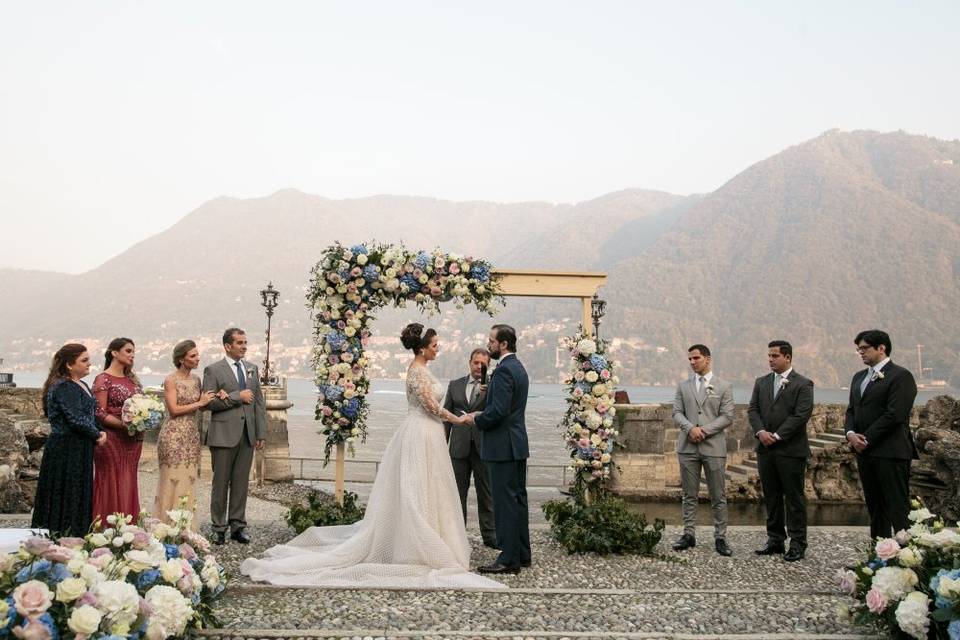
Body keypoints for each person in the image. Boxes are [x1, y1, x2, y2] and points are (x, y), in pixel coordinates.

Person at [240, 323, 504, 589]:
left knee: (432, 488)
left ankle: (434, 538)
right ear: (422, 348)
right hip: (420, 433)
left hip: (429, 435)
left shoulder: (423, 369)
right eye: (434, 345)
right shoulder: (416, 371)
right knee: (416, 489)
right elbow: (432, 407)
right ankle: (416, 546)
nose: (438, 349)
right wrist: (460, 421)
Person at [465, 324, 531, 574]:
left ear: (504, 344)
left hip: (502, 446)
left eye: (491, 340)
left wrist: (477, 418)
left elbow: (498, 412)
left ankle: (508, 560)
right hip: (516, 443)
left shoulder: (503, 371)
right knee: (518, 500)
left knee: (504, 503)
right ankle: (522, 553)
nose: (488, 344)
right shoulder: (518, 367)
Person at [845, 330, 918, 540]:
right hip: (865, 452)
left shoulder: (901, 376)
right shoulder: (859, 377)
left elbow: (895, 414)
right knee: (875, 506)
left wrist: (865, 438)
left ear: (881, 348)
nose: (861, 352)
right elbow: (852, 410)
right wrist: (850, 434)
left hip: (891, 451)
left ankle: (906, 558)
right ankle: (878, 558)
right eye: (858, 349)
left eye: (865, 348)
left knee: (897, 506)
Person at [748, 340, 814, 561]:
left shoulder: (803, 384)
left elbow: (801, 415)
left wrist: (776, 435)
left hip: (790, 450)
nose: (770, 359)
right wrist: (760, 432)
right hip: (765, 449)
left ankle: (797, 543)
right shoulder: (761, 382)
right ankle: (775, 539)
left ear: (787, 357)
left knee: (794, 498)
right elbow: (753, 409)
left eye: (774, 356)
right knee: (772, 496)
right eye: (768, 356)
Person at [32, 344, 107, 536]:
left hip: (80, 446)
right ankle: (61, 536)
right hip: (66, 448)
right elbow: (75, 418)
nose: (89, 363)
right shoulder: (64, 386)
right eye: (84, 360)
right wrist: (97, 435)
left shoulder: (80, 385)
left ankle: (75, 535)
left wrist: (99, 430)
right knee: (65, 492)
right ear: (69, 364)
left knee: (77, 492)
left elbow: (89, 415)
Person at [202, 328, 267, 545]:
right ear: (227, 346)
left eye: (245, 342)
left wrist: (260, 433)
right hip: (222, 435)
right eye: (239, 342)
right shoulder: (213, 370)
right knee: (220, 483)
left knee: (241, 483)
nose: (244, 346)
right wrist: (236, 397)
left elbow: (258, 402)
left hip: (247, 435)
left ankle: (238, 526)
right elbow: (208, 403)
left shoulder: (252, 369)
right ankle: (219, 527)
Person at [671, 344, 735, 556]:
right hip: (687, 446)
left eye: (696, 358)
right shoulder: (683, 386)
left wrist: (703, 431)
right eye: (689, 359)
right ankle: (688, 534)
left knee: (718, 494)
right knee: (689, 494)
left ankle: (720, 537)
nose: (692, 362)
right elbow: (677, 412)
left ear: (707, 359)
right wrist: (690, 429)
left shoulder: (723, 386)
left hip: (713, 447)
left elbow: (727, 416)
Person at [153, 340, 216, 525]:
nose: (198, 358)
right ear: (181, 359)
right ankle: (164, 527)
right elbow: (173, 409)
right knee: (171, 480)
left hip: (191, 435)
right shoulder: (170, 380)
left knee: (188, 480)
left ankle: (184, 528)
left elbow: (203, 405)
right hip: (173, 435)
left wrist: (216, 396)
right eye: (193, 356)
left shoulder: (197, 380)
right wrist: (200, 403)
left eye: (197, 355)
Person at [442, 348, 497, 549]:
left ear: (488, 365)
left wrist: (489, 392)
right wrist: (441, 443)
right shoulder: (455, 385)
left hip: (484, 448)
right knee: (457, 494)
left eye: (483, 364)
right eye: (476, 362)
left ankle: (491, 537)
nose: (479, 367)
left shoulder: (494, 387)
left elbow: (497, 414)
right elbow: (446, 417)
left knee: (487, 494)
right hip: (458, 448)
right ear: (469, 362)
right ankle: (457, 536)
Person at [92, 337, 143, 522]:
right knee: (111, 482)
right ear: (114, 353)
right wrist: (126, 425)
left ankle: (128, 528)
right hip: (111, 439)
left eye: (133, 351)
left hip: (133, 441)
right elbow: (99, 412)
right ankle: (106, 528)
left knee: (129, 481)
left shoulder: (133, 381)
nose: (132, 355)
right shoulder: (102, 379)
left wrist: (142, 422)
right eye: (128, 351)